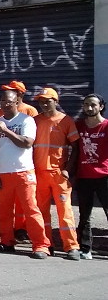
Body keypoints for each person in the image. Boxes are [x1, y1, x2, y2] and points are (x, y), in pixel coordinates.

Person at [0, 89, 51, 259]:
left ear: (17, 102)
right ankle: (7, 241)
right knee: (4, 211)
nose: (5, 104)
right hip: (3, 173)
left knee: (31, 209)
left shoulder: (26, 120)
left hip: (23, 172)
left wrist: (6, 130)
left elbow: (26, 143)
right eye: (2, 101)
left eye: (9, 101)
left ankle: (40, 245)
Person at [32, 87, 81, 260]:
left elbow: (75, 147)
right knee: (41, 211)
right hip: (39, 173)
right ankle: (45, 246)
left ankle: (71, 247)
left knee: (65, 210)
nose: (44, 104)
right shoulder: (34, 121)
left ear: (56, 101)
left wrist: (67, 169)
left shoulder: (65, 121)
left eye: (48, 101)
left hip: (59, 174)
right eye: (41, 101)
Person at [75, 94, 108, 260]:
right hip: (84, 177)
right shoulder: (79, 126)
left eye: (93, 105)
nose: (89, 108)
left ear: (101, 106)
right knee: (84, 215)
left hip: (104, 177)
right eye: (86, 104)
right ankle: (85, 248)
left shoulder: (107, 126)